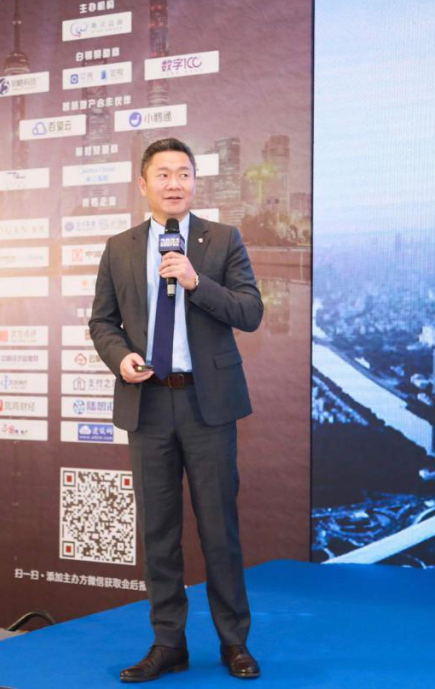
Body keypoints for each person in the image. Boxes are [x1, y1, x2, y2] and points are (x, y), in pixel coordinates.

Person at [90, 137, 263, 682]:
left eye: (183, 173)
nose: (174, 183)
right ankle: (169, 643)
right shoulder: (119, 247)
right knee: (158, 532)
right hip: (147, 404)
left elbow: (250, 311)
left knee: (219, 530)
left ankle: (234, 642)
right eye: (162, 174)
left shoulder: (222, 240)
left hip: (207, 405)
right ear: (143, 184)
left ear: (194, 182)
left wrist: (195, 282)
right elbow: (102, 322)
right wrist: (121, 359)